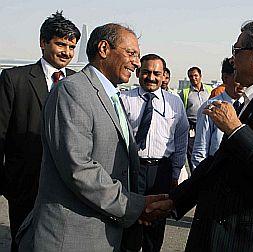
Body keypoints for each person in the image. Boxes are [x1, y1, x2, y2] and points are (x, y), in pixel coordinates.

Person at [148, 19, 253, 251]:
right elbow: (220, 163)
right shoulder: (251, 100)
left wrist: (236, 130)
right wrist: (175, 200)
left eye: (236, 51)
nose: (231, 59)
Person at [17, 23, 167, 252]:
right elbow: (79, 168)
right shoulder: (72, 91)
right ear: (104, 49)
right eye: (131, 53)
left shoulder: (112, 96)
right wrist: (133, 206)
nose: (137, 62)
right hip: (73, 238)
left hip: (103, 233)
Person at [0, 11, 80, 252]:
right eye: (61, 44)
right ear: (43, 42)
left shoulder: (78, 83)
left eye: (71, 46)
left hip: (66, 186)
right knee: (23, 242)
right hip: (24, 184)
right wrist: (6, 181)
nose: (66, 52)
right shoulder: (14, 79)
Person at [121, 54, 188, 252]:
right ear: (138, 73)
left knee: (155, 227)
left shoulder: (174, 103)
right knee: (130, 222)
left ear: (164, 76)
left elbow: (181, 139)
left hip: (161, 171)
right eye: (146, 72)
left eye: (156, 73)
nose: (151, 77)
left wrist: (175, 174)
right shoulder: (124, 99)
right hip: (133, 169)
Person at [191, 57, 244, 168]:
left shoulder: (250, 105)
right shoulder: (211, 107)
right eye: (238, 77)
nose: (242, 83)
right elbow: (200, 150)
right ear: (225, 78)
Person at [179, 67, 212, 172]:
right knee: (193, 152)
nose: (193, 78)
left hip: (207, 125)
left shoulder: (209, 90)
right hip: (192, 127)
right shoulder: (185, 93)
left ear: (200, 76)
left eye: (195, 76)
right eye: (191, 76)